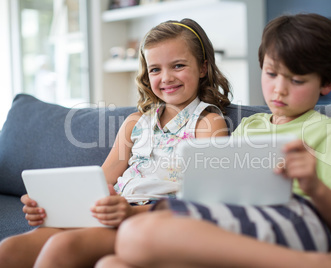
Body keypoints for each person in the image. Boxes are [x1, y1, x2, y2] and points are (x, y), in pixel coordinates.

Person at [96, 13, 331, 268]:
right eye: (271, 73)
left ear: (327, 83)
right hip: (236, 218)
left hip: (295, 217)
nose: (279, 89)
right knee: (111, 264)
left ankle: (323, 264)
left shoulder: (328, 132)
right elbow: (214, 194)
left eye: (297, 80)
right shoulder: (249, 126)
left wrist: (313, 185)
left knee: (133, 236)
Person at [0, 18, 231, 268]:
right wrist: (51, 207)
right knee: (10, 248)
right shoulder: (135, 123)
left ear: (202, 68)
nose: (166, 77)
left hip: (153, 218)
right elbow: (102, 179)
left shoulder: (209, 123)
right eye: (155, 69)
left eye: (177, 65)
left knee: (63, 246)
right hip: (113, 210)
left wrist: (129, 212)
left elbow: (204, 200)